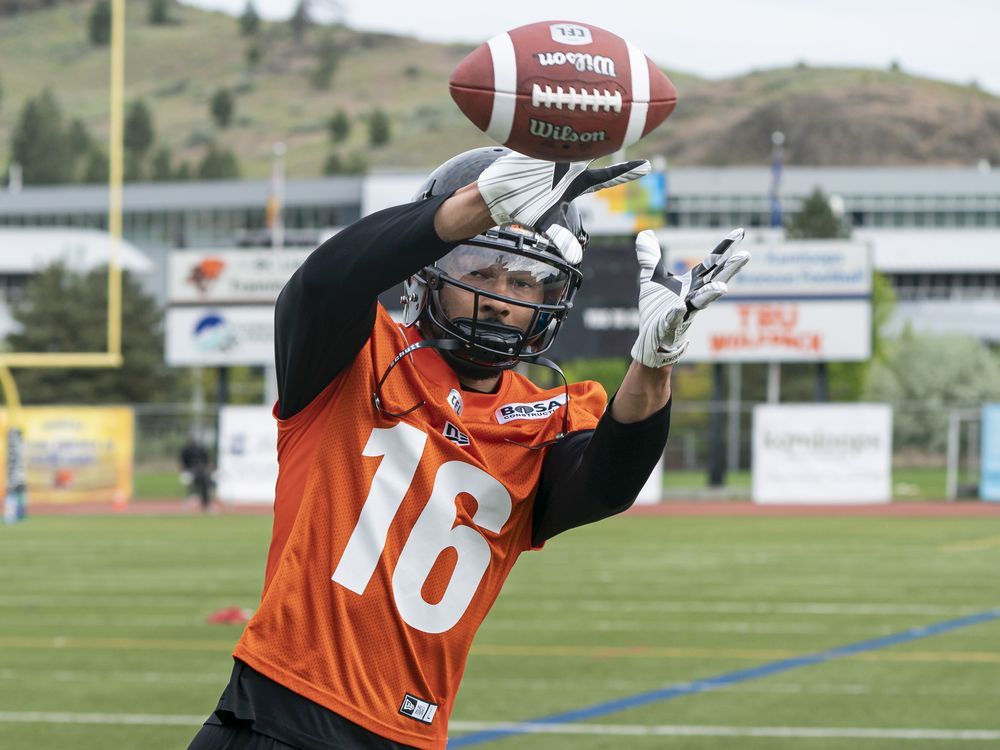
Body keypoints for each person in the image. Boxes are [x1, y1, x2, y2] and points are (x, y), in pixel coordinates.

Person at [189, 148, 749, 750]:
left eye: (523, 279)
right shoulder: (356, 355)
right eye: (479, 271)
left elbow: (611, 480)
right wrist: (478, 205)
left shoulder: (548, 416)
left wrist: (653, 365)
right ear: (428, 272)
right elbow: (325, 280)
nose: (500, 296)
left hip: (410, 735)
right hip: (279, 713)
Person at [180, 434, 214, 513]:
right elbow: (182, 463)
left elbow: (207, 462)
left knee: (206, 482)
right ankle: (192, 502)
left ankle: (206, 504)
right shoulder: (186, 450)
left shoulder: (201, 449)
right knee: (194, 482)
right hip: (191, 471)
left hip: (201, 471)